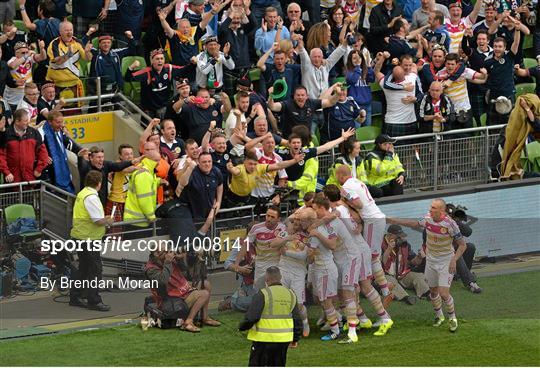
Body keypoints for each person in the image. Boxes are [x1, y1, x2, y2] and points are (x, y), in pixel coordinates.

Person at [388, 198, 467, 332]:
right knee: (433, 291)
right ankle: (439, 316)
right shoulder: (428, 219)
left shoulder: (450, 224)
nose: (430, 210)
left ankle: (452, 318)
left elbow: (462, 245)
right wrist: (394, 220)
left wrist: (454, 259)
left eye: (434, 208)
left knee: (444, 293)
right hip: (431, 260)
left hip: (445, 261)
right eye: (431, 207)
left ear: (442, 211)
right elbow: (414, 223)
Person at [335, 165, 394, 306]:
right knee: (374, 256)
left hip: (372, 220)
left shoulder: (347, 187)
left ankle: (385, 290)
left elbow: (359, 204)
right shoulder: (357, 181)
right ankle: (384, 287)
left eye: (336, 176)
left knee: (371, 257)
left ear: (340, 175)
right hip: (376, 217)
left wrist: (344, 201)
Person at [145, 247, 221, 333]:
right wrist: (168, 262)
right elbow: (163, 281)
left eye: (169, 249)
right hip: (169, 299)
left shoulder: (167, 259)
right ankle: (188, 322)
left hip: (179, 289)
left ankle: (205, 317)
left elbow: (185, 270)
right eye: (166, 251)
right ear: (156, 254)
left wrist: (180, 259)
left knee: (207, 284)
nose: (169, 252)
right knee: (204, 294)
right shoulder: (151, 269)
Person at [238, 266, 302, 367]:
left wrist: (242, 327)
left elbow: (252, 317)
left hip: (263, 340)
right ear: (280, 277)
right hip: (283, 340)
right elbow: (297, 319)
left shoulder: (263, 294)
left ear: (266, 279)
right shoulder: (291, 294)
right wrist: (295, 338)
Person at [69, 170, 114, 312]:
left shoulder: (83, 194)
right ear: (99, 184)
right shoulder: (92, 197)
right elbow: (98, 220)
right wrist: (108, 220)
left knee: (83, 268)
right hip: (89, 238)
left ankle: (76, 296)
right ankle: (93, 300)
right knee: (95, 269)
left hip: (80, 235)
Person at [271, 207, 313, 337]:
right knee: (282, 301)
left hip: (298, 273)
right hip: (283, 270)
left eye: (299, 222)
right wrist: (288, 238)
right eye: (295, 222)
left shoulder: (308, 237)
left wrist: (286, 252)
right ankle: (285, 328)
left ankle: (305, 322)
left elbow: (303, 256)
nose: (296, 224)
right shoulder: (285, 233)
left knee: (299, 305)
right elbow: (273, 244)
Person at [124, 49, 190, 119]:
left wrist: (192, 64)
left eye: (162, 58)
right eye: (157, 59)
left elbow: (183, 69)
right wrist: (131, 68)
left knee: (164, 127)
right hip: (149, 109)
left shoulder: (168, 68)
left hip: (164, 106)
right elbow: (128, 78)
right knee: (147, 128)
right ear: (152, 61)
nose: (160, 61)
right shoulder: (146, 72)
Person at [225, 150, 304, 207]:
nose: (252, 166)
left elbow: (278, 165)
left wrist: (295, 160)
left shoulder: (259, 168)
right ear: (244, 162)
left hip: (246, 198)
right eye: (250, 164)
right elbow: (235, 171)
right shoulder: (240, 169)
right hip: (232, 198)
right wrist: (230, 168)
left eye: (254, 164)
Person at [381, 225, 430, 304]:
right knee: (391, 282)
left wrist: (419, 257)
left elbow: (413, 262)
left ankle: (426, 293)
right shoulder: (380, 244)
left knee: (418, 276)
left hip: (401, 274)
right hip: (386, 274)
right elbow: (382, 262)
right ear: (390, 235)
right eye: (398, 236)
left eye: (401, 236)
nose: (400, 238)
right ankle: (405, 297)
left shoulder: (405, 245)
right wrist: (389, 249)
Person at [46, 21, 93, 100]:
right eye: (66, 30)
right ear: (60, 32)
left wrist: (87, 52)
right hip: (56, 84)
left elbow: (88, 58)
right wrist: (69, 54)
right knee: (57, 110)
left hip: (74, 83)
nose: (69, 32)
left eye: (71, 30)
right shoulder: (54, 44)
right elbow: (57, 62)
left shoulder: (77, 42)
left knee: (75, 111)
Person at [0, 109, 49, 183]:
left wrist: (39, 169)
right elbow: (1, 156)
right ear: (17, 121)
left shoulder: (34, 133)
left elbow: (43, 153)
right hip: (12, 180)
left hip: (31, 179)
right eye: (25, 121)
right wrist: (7, 172)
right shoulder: (5, 135)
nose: (28, 123)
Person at [247, 206, 287, 289]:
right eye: (267, 215)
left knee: (276, 287)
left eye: (272, 217)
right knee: (259, 289)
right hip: (261, 263)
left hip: (277, 262)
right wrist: (252, 256)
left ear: (278, 219)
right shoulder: (256, 228)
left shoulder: (283, 228)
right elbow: (248, 243)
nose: (269, 219)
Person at [123, 141, 162, 229]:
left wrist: (159, 181)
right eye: (158, 161)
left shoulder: (147, 169)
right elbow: (144, 199)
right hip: (137, 221)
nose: (159, 163)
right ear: (153, 161)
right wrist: (152, 217)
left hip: (137, 219)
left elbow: (150, 184)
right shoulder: (144, 174)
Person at [42, 111, 82, 193]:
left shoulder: (60, 130)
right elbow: (36, 147)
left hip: (61, 167)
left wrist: (80, 150)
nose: (61, 125)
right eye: (58, 122)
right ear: (50, 122)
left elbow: (68, 143)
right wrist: (43, 156)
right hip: (48, 170)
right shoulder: (42, 132)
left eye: (62, 122)